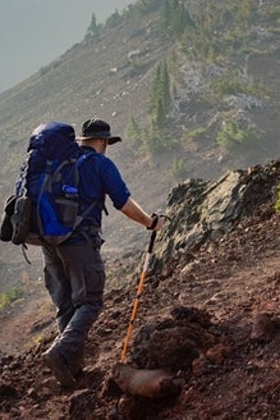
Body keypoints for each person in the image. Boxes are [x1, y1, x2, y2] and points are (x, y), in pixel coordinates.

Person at [41, 117, 164, 388]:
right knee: (90, 302)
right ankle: (60, 352)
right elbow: (123, 202)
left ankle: (71, 370)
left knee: (67, 305)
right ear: (103, 141)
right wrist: (150, 222)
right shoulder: (100, 164)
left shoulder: (58, 162)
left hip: (48, 241)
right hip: (79, 241)